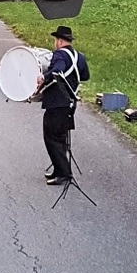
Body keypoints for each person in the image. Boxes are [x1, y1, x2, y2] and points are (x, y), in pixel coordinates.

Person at [38, 26, 89, 185]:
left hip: (57, 103)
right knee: (60, 137)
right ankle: (59, 170)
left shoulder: (59, 54)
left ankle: (63, 174)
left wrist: (43, 77)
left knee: (52, 138)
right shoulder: (79, 56)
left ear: (59, 41)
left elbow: (56, 72)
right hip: (69, 102)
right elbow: (86, 76)